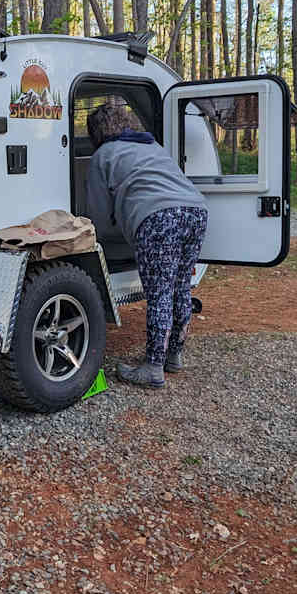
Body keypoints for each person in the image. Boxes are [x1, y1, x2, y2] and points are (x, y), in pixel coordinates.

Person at [84, 103, 208, 389]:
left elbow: (99, 217)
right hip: (196, 211)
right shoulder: (152, 146)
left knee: (160, 293)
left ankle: (153, 367)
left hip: (159, 218)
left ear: (96, 132)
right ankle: (174, 355)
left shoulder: (103, 155)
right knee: (179, 288)